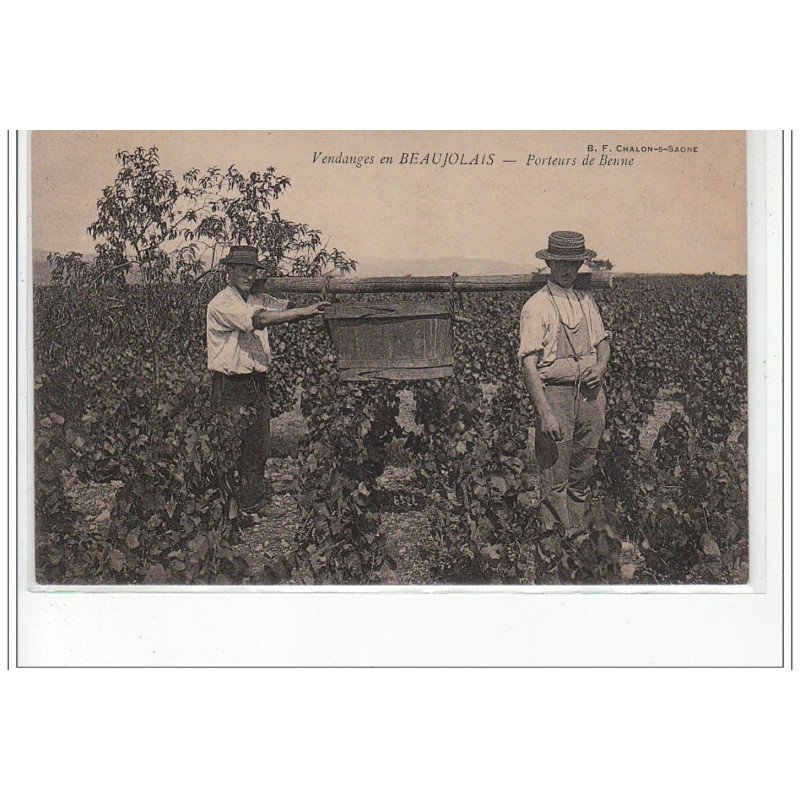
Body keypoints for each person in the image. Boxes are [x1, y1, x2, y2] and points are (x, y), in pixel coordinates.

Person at [207, 245, 329, 514]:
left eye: (252, 270)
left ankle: (251, 501)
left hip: (256, 380)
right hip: (230, 384)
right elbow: (260, 320)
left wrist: (315, 303)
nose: (248, 276)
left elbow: (283, 307)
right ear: (228, 271)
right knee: (228, 442)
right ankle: (222, 503)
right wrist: (303, 313)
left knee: (257, 443)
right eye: (242, 269)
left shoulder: (256, 298)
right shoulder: (222, 303)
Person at [519, 231, 611, 535]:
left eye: (574, 263)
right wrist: (545, 412)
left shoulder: (586, 300)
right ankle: (555, 549)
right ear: (550, 263)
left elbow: (602, 342)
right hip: (556, 396)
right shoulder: (537, 306)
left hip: (591, 396)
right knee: (554, 478)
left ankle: (578, 541)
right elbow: (529, 364)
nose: (568, 269)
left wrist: (600, 365)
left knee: (582, 471)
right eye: (561, 263)